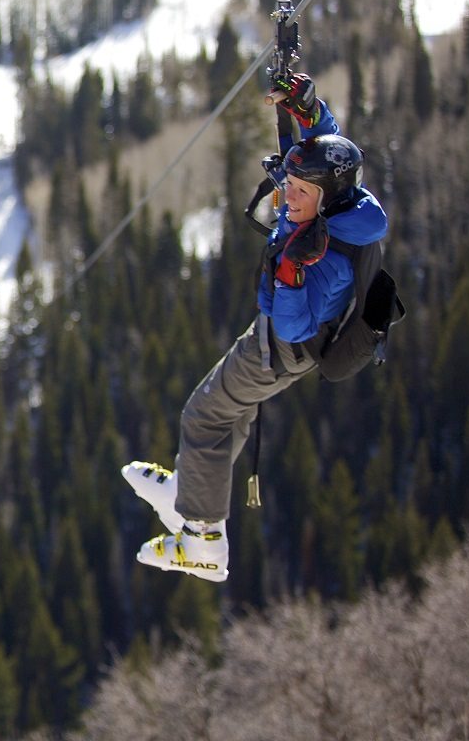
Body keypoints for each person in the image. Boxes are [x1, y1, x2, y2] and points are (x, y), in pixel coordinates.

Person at [122, 73, 388, 581]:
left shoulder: (326, 255)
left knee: (203, 416)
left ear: (324, 197)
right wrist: (307, 110)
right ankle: (193, 492)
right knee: (231, 411)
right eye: (289, 183)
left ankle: (202, 539)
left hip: (282, 345)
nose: (286, 194)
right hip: (290, 341)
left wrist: (289, 274)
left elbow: (292, 327)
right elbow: (323, 152)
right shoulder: (348, 205)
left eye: (298, 189)